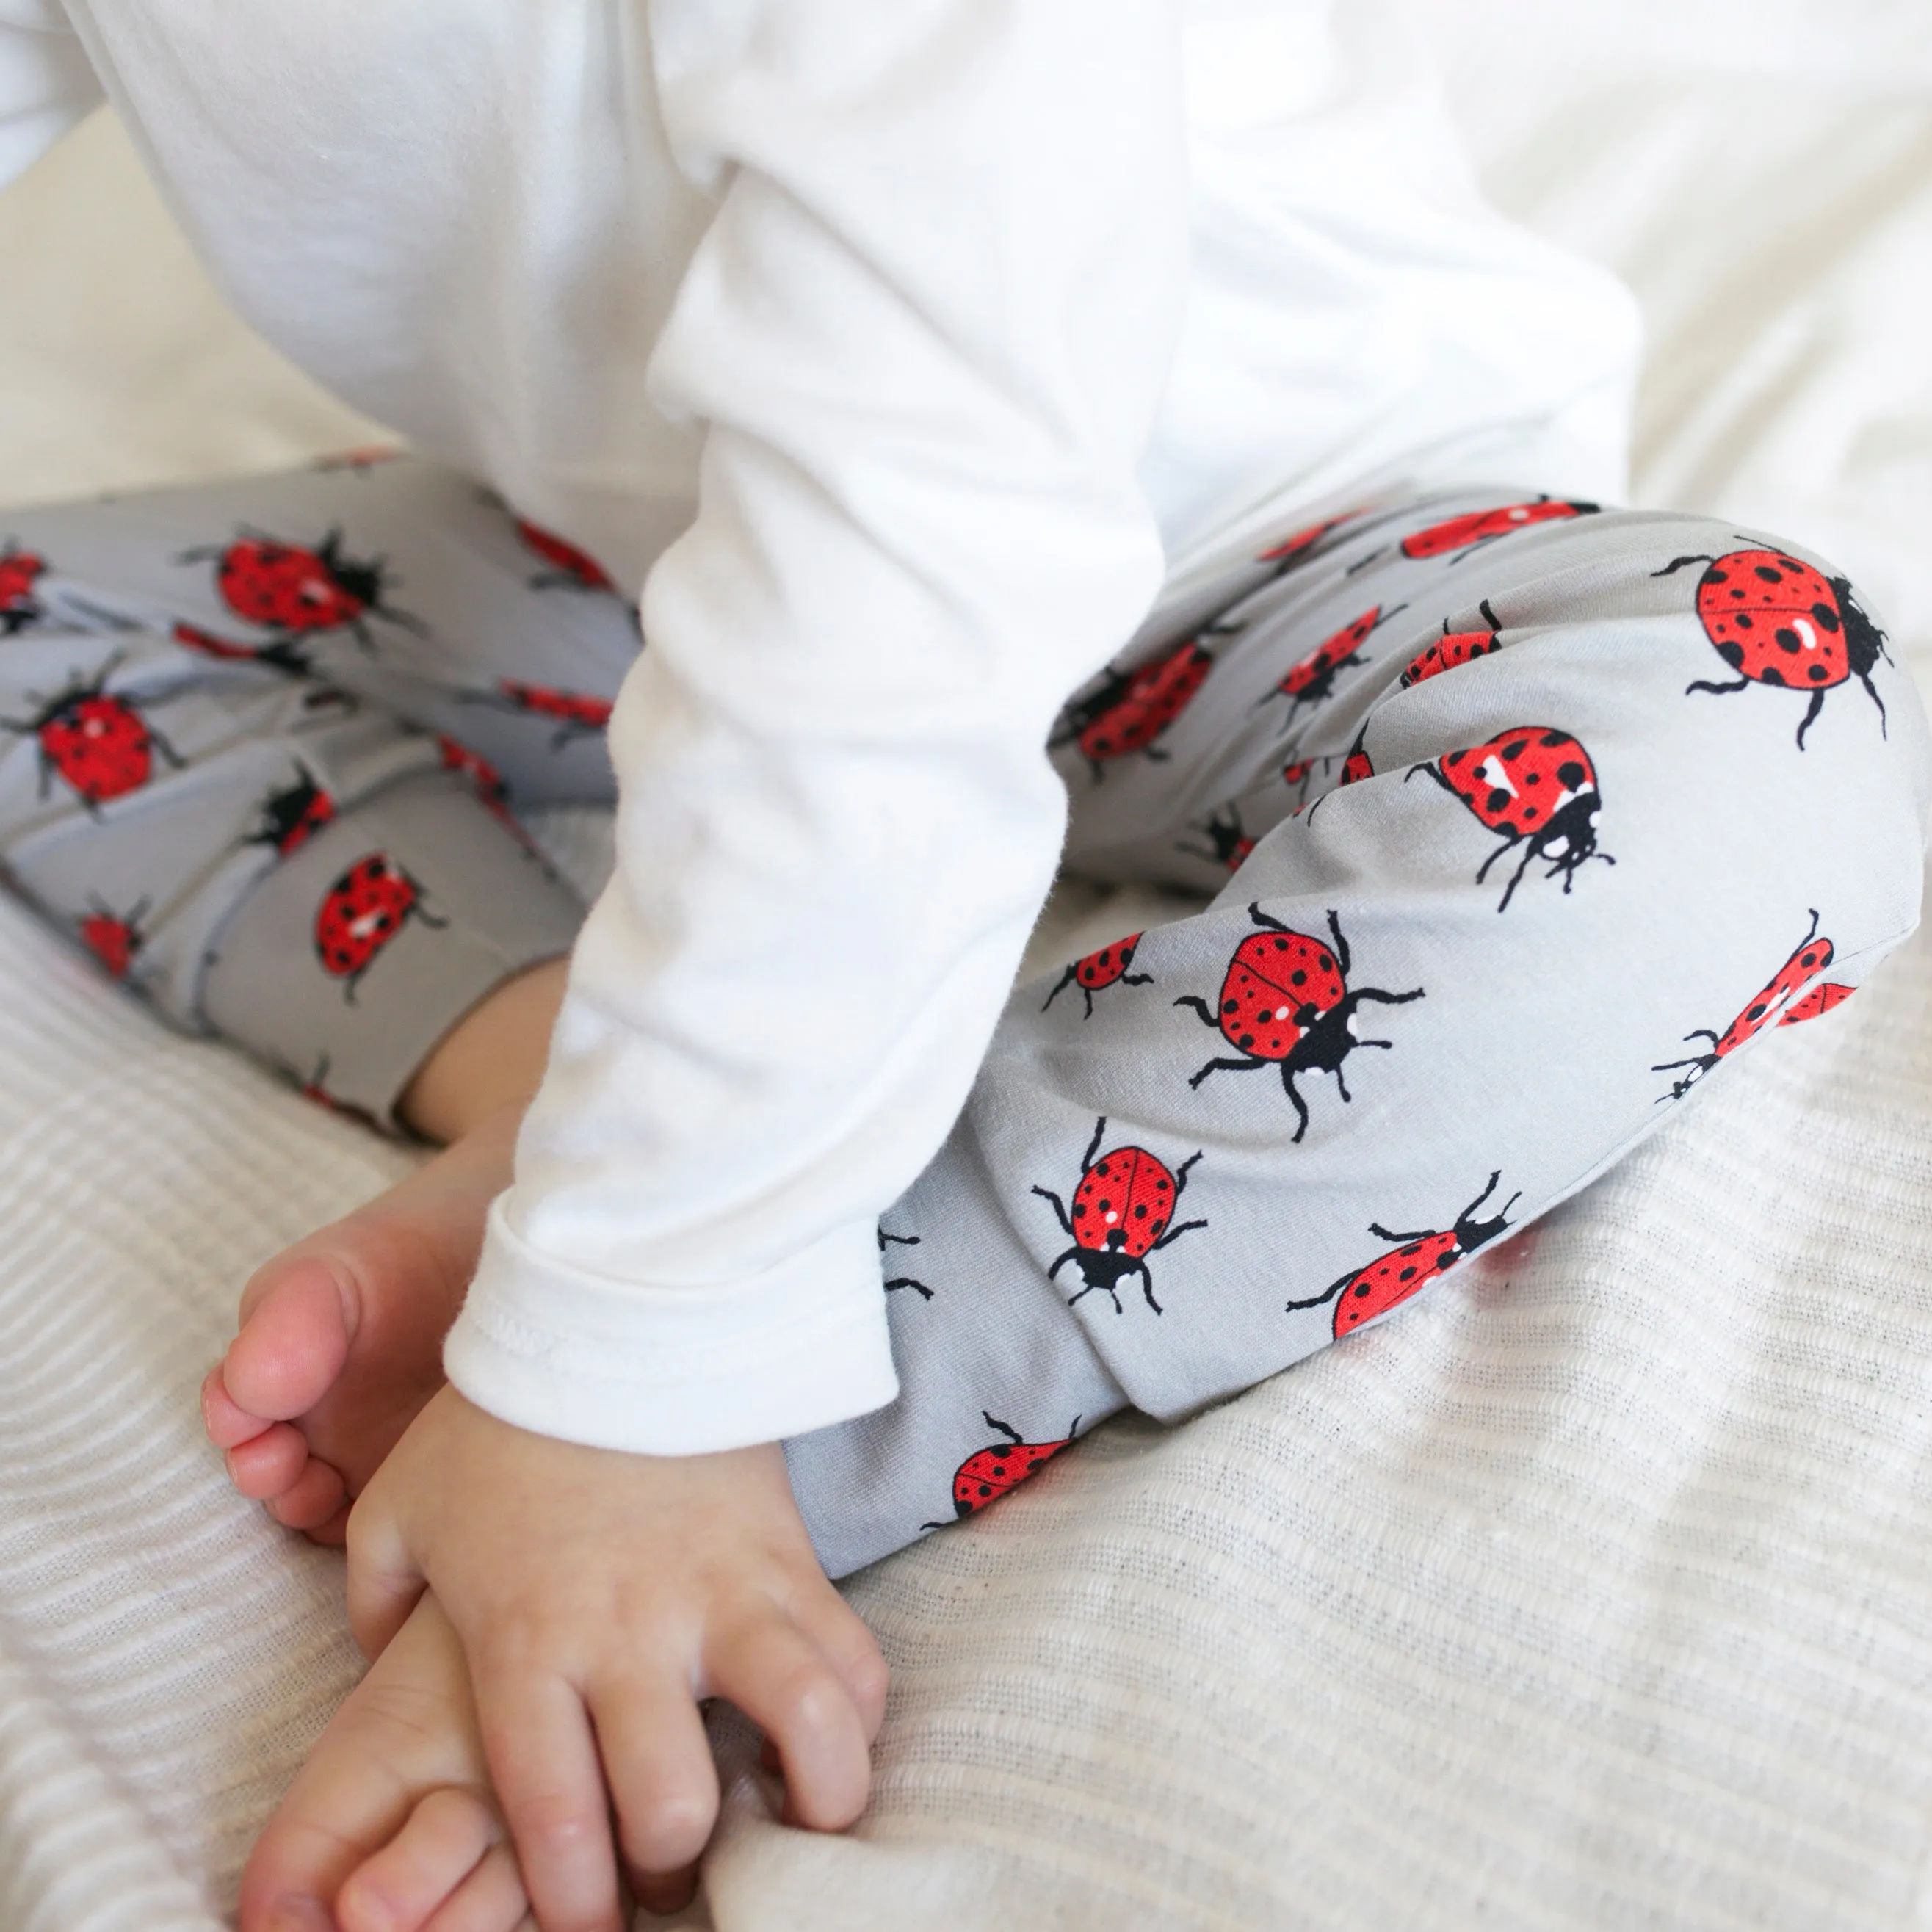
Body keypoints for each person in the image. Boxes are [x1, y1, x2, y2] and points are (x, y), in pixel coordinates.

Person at [2, 4, 1926, 1928]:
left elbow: (933, 515)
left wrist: (633, 1366)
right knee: (30, 627)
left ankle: (814, 1375)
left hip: (1298, 549)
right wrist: (581, 1136)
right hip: (688, 563)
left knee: (1770, 720)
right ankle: (539, 1093)